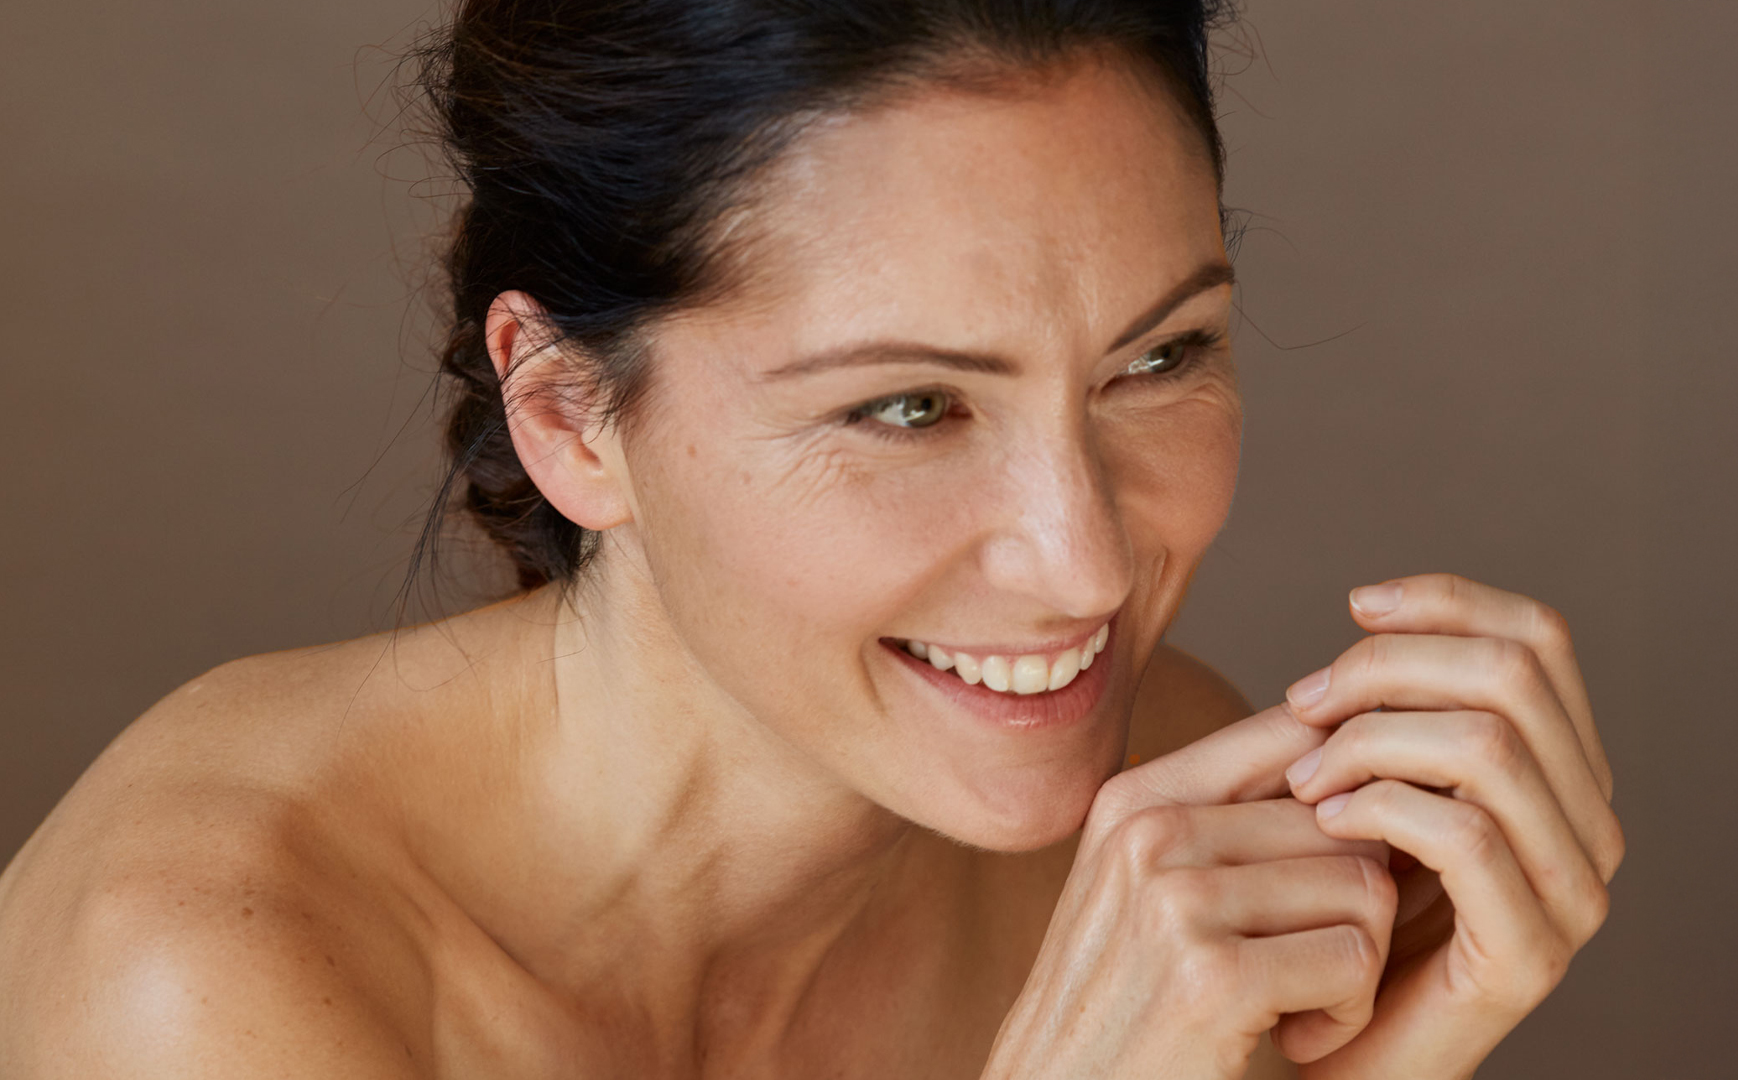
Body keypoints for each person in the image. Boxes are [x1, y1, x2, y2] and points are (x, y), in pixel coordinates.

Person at [0, 1, 1622, 1076]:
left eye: (1158, 358)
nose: (1088, 568)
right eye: (908, 407)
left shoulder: (1161, 820)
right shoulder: (206, 984)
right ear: (571, 414)